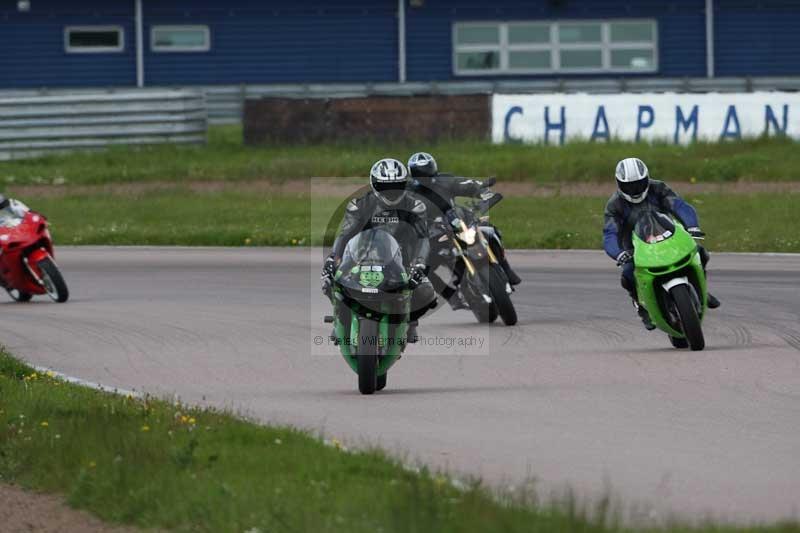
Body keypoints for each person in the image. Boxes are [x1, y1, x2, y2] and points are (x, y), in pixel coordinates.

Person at [321, 158, 436, 342]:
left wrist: (420, 264)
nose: (391, 193)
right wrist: (333, 258)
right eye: (385, 187)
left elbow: (423, 238)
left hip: (401, 261)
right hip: (361, 257)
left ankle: (410, 321)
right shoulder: (359, 205)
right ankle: (340, 320)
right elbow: (345, 234)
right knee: (329, 280)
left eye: (396, 186)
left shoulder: (415, 206)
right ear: (374, 184)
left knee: (426, 292)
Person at [603, 157, 720, 330]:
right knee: (628, 273)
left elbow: (679, 206)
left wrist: (692, 226)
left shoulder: (658, 188)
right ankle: (641, 306)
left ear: (646, 179)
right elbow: (610, 233)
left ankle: (701, 290)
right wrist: (619, 253)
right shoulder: (614, 205)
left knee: (700, 252)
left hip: (667, 235)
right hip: (635, 246)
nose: (634, 190)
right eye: (629, 186)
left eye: (639, 184)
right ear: (619, 184)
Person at [406, 152, 521, 310]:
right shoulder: (408, 191)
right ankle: (451, 296)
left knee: (489, 230)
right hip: (432, 234)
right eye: (420, 174)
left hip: (457, 223)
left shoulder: (446, 181)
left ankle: (507, 270)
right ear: (413, 175)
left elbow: (470, 185)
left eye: (427, 171)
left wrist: (485, 194)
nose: (425, 176)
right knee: (423, 268)